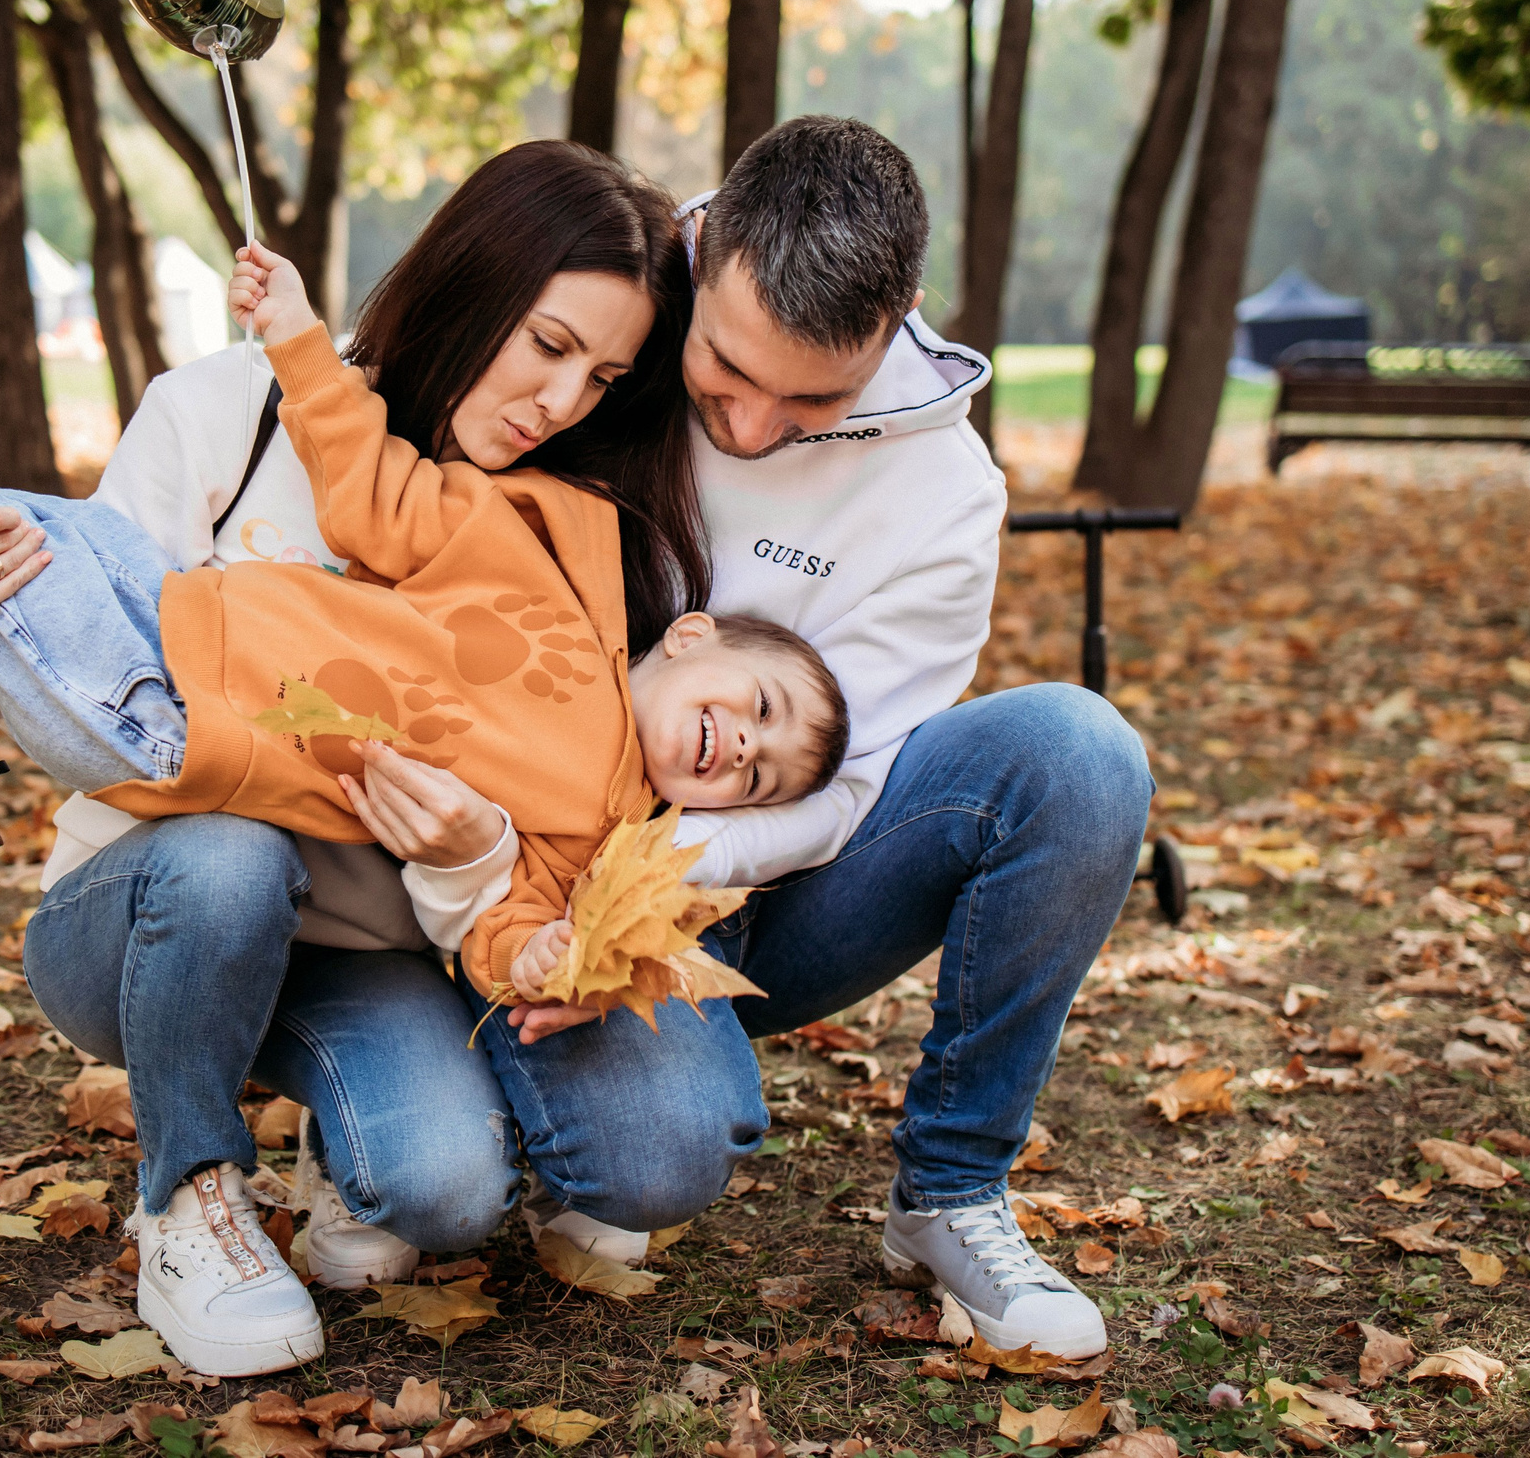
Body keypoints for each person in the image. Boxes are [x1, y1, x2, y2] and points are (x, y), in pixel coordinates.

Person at [0, 143, 755, 1378]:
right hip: (169, 904)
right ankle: (190, 1199)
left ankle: (373, 1126)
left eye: (604, 375)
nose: (562, 401)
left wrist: (536, 916)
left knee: (524, 1179)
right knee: (230, 852)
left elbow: (583, 785)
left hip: (401, 944)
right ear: (472, 284)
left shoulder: (554, 514)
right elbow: (97, 681)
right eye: (546, 343)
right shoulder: (224, 411)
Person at [464, 115, 1152, 1361]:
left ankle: (950, 1192)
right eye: (726, 370)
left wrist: (675, 873)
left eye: (811, 397)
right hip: (515, 847)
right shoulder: (607, 327)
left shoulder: (947, 498)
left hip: (765, 886)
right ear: (703, 246)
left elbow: (859, 788)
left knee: (1077, 751)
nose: (753, 426)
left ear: (897, 320)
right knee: (649, 1153)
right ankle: (448, 1071)